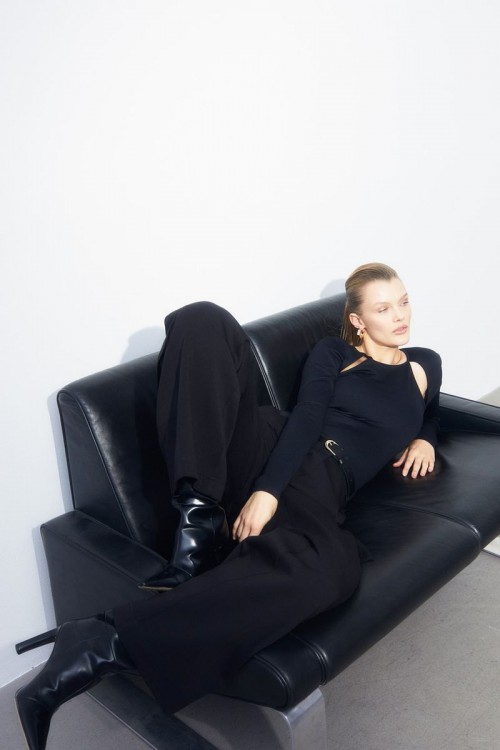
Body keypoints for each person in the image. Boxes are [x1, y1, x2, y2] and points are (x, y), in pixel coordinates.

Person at [15, 262, 441, 750]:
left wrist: (425, 438)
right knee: (203, 318)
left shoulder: (425, 364)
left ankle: (102, 643)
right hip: (275, 447)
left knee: (333, 568)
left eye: (403, 301)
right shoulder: (335, 353)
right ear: (358, 320)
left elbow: (427, 411)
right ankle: (197, 525)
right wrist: (268, 490)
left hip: (325, 488)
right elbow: (306, 418)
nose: (400, 316)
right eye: (383, 308)